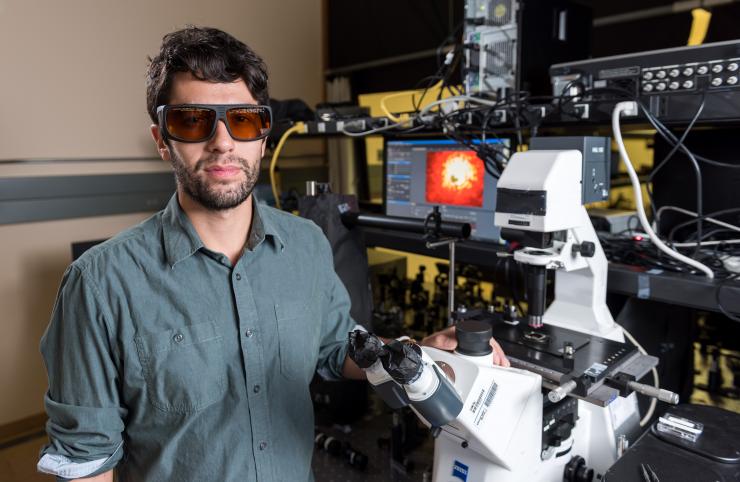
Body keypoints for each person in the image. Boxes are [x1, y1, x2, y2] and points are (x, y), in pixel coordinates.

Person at [37, 26, 509, 482]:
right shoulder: (99, 285)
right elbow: (86, 463)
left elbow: (334, 346)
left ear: (262, 137)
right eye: (192, 120)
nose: (223, 141)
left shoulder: (306, 244)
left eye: (242, 120)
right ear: (163, 139)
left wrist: (414, 353)